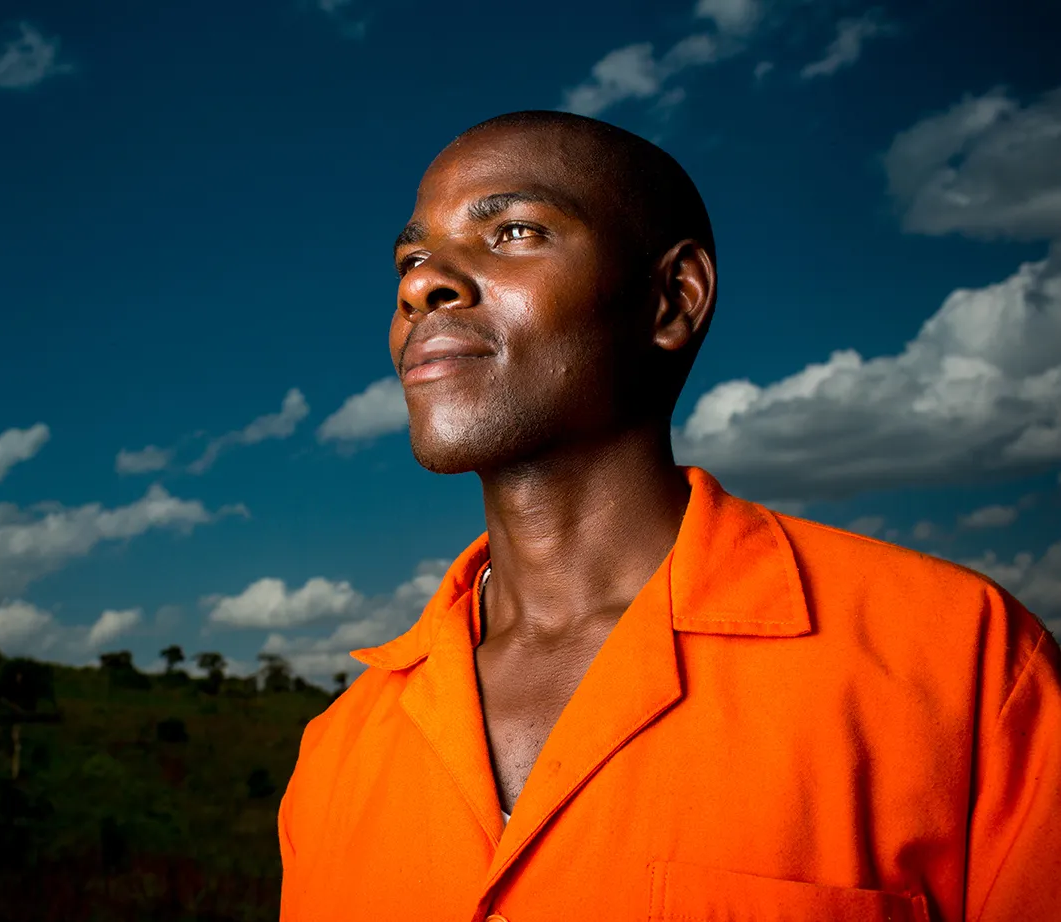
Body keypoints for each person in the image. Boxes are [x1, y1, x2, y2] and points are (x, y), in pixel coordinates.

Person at [276, 111, 1061, 922]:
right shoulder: (338, 750)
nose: (419, 284)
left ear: (673, 298)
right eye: (411, 257)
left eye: (512, 230)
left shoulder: (959, 666)